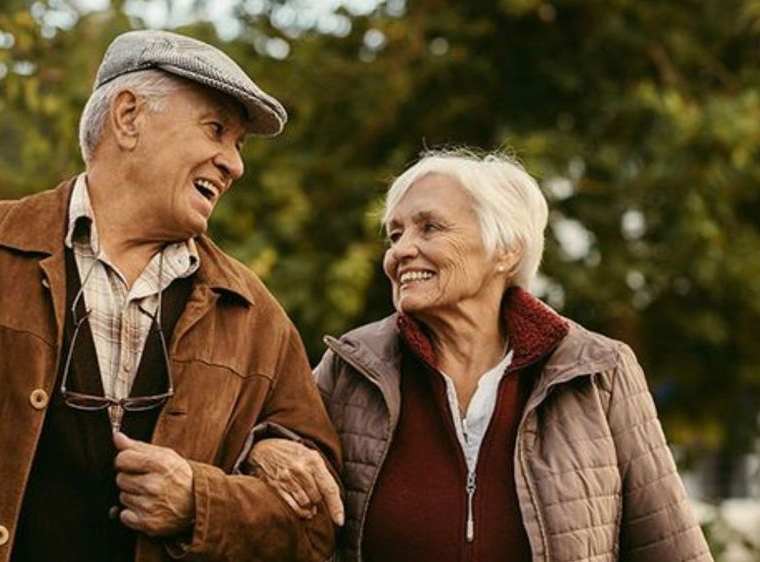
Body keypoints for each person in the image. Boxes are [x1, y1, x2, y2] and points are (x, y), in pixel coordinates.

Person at [0, 30, 341, 562]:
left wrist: (202, 505)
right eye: (216, 130)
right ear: (128, 117)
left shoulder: (255, 318)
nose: (234, 164)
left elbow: (317, 529)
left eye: (238, 145)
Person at [247, 151, 712, 561]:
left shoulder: (598, 371)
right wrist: (262, 448)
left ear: (506, 250)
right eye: (394, 235)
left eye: (429, 227)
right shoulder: (351, 369)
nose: (401, 251)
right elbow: (261, 476)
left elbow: (669, 546)